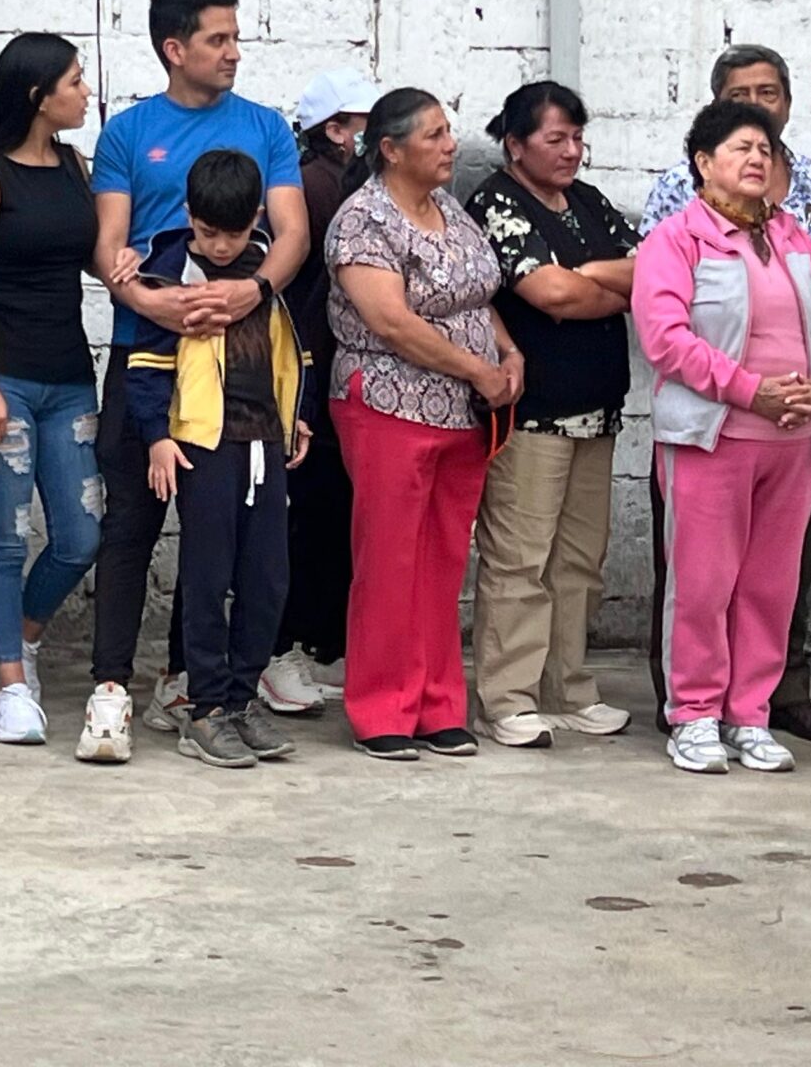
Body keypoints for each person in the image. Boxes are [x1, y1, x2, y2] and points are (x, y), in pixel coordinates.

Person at [79, 0, 307, 765]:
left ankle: (200, 692)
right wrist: (159, 301)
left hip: (244, 373)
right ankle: (111, 686)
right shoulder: (128, 132)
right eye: (218, 39)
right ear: (175, 49)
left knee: (238, 551)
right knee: (133, 527)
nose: (234, 51)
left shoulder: (266, 128)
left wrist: (254, 288)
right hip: (153, 349)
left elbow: (292, 234)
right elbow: (109, 245)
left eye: (237, 37)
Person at [636, 100, 811, 776]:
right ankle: (695, 714)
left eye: (765, 148)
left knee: (770, 586)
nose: (757, 158)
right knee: (702, 583)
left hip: (792, 441)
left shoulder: (792, 238)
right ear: (703, 165)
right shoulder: (676, 240)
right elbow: (665, 340)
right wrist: (749, 390)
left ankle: (749, 715)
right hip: (712, 437)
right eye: (740, 148)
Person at [326, 88, 514, 762]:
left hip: (461, 413)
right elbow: (392, 322)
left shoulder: (449, 210)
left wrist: (507, 354)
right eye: (433, 135)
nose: (448, 145)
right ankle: (381, 706)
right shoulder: (363, 222)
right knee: (389, 559)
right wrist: (478, 370)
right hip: (389, 404)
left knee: (442, 558)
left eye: (447, 132)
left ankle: (438, 704)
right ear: (391, 149)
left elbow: (476, 293)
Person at [0, 32, 104, 746]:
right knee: (4, 538)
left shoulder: (74, 164)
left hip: (68, 379)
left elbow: (96, 256)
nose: (84, 92)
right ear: (38, 95)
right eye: (73, 81)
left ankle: (25, 637)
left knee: (80, 535)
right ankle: (11, 686)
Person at [466, 81, 638, 749]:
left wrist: (587, 279)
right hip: (533, 416)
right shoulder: (496, 203)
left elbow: (647, 270)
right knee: (520, 561)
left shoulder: (587, 202)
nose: (572, 151)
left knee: (579, 561)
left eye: (577, 138)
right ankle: (507, 698)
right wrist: (600, 285)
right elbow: (549, 293)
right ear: (515, 144)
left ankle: (566, 689)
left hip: (598, 411)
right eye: (555, 139)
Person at [131, 150, 311, 770]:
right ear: (189, 215)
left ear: (256, 218)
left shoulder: (268, 268)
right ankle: (204, 707)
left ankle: (241, 698)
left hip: (266, 439)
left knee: (267, 578)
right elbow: (146, 359)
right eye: (209, 232)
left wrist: (296, 416)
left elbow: (292, 348)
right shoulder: (169, 267)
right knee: (207, 579)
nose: (222, 245)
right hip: (203, 446)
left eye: (234, 233)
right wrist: (158, 435)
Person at [262, 70, 373, 717]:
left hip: (327, 371)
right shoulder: (317, 187)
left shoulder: (339, 183)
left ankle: (316, 644)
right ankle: (282, 652)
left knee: (327, 519)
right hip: (306, 370)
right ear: (335, 130)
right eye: (360, 124)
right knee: (303, 521)